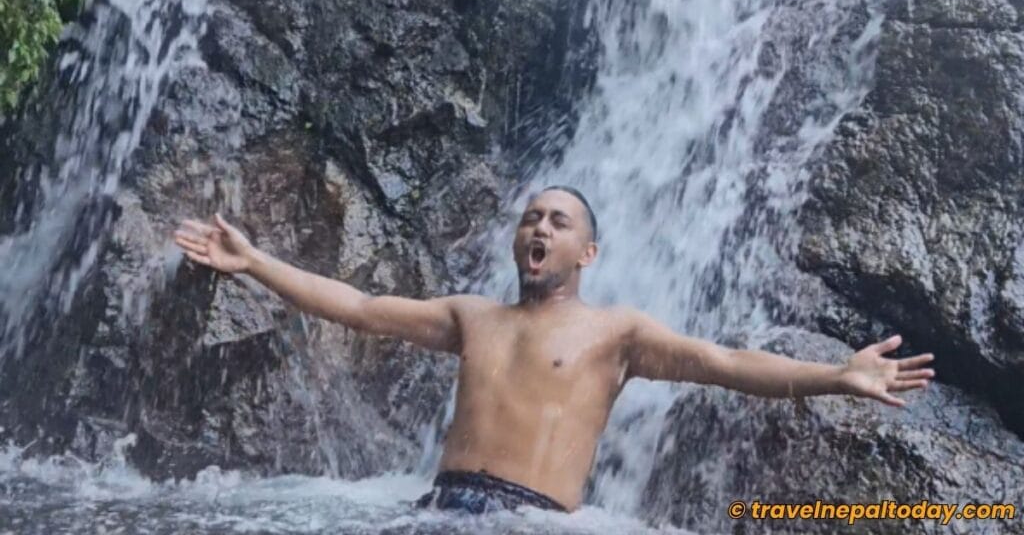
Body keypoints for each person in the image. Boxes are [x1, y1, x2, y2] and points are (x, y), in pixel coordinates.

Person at [173, 185, 936, 514]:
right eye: (532, 217)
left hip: (530, 519)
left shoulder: (619, 335)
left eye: (559, 222)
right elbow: (363, 308)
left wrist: (839, 375)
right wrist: (256, 261)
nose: (540, 228)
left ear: (588, 253)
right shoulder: (472, 316)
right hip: (436, 509)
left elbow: (729, 365)